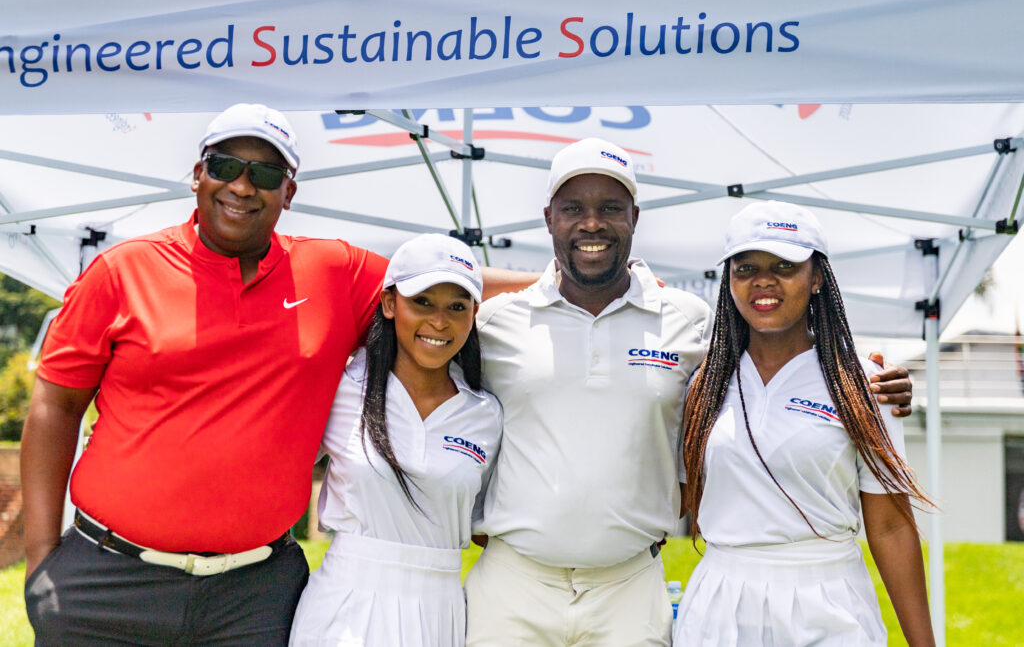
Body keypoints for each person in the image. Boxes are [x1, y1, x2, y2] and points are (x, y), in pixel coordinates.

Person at [20, 104, 523, 645]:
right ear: (198, 174)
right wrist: (41, 556)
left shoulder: (334, 272)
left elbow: (440, 284)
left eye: (265, 173)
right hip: (109, 581)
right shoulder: (122, 271)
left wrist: (563, 285)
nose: (242, 186)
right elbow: (55, 406)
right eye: (225, 166)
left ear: (289, 192)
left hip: (254, 596)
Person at [464, 140, 914, 646]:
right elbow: (424, 296)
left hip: (630, 586)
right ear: (549, 218)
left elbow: (780, 344)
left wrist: (867, 375)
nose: (592, 223)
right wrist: (542, 280)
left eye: (610, 208)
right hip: (512, 584)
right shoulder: (494, 321)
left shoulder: (690, 322)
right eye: (573, 209)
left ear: (634, 218)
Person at [677, 200, 935, 646]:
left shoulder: (864, 384)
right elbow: (678, 499)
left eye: (784, 266)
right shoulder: (704, 382)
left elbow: (891, 528)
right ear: (729, 281)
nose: (763, 280)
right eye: (745, 268)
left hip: (829, 603)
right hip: (720, 603)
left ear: (817, 278)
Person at [289, 234, 502, 646]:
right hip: (345, 603)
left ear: (474, 314)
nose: (439, 321)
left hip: (441, 609)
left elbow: (484, 526)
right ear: (389, 303)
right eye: (422, 302)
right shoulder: (342, 385)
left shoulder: (485, 414)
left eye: (457, 307)